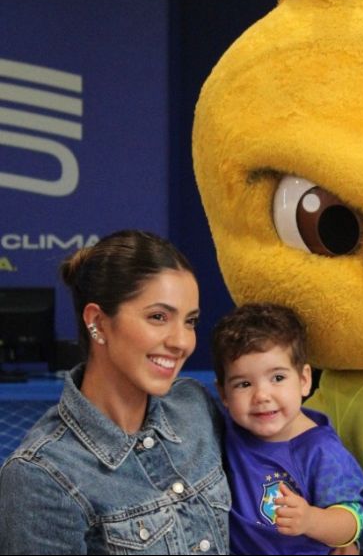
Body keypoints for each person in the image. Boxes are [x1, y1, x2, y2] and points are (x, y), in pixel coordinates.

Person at [0, 230, 230, 555]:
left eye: (190, 321)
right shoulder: (39, 476)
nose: (182, 341)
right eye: (158, 317)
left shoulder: (194, 405)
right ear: (98, 322)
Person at [212, 303, 363, 555]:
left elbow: (353, 520)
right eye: (243, 384)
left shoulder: (321, 451)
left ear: (304, 380)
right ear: (224, 394)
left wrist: (311, 520)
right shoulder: (225, 428)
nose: (262, 395)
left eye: (277, 378)